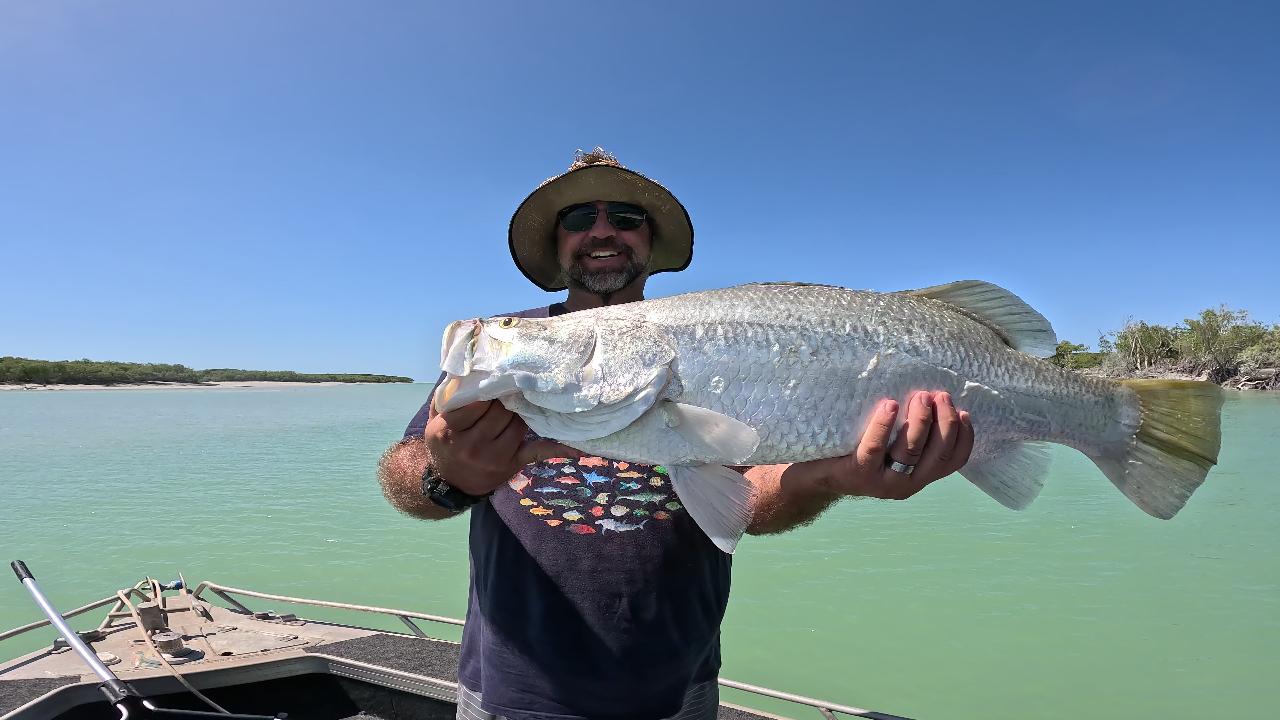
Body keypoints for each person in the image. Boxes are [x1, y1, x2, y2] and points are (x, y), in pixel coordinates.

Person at [377, 149, 974, 720]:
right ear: (557, 245)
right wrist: (447, 477)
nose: (603, 231)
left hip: (680, 691)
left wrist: (833, 476)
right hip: (510, 692)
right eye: (579, 218)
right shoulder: (507, 362)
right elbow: (403, 474)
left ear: (650, 240)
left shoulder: (714, 335)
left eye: (626, 217)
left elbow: (745, 503)